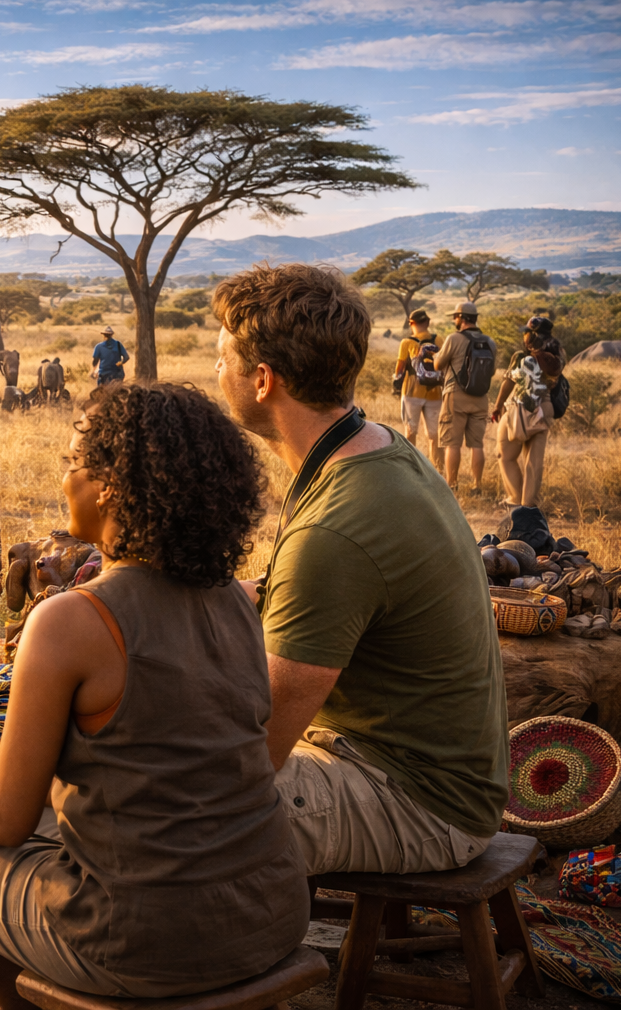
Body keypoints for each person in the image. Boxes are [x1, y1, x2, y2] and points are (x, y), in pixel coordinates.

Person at [0, 383, 308, 1008]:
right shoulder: (236, 599)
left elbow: (4, 819)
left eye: (73, 464)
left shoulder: (73, 621)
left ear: (112, 486)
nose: (64, 480)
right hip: (271, 913)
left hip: (142, 943)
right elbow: (101, 770)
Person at [213, 264, 506, 876]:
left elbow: (254, 755)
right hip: (419, 769)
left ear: (262, 380)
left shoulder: (335, 528)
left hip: (416, 802)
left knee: (140, 800)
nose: (216, 374)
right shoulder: (379, 449)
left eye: (222, 361)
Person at [492, 317, 564, 508]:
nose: (524, 336)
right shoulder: (549, 356)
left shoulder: (534, 356)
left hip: (524, 406)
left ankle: (520, 501)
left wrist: (498, 405)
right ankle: (523, 502)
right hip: (535, 407)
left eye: (527, 333)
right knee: (527, 460)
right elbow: (511, 380)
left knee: (510, 455)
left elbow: (510, 380)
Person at [433, 301, 498, 493]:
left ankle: (452, 484)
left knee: (452, 443)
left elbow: (438, 365)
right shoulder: (490, 342)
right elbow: (492, 371)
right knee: (476, 444)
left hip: (456, 395)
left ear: (461, 318)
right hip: (480, 398)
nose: (454, 319)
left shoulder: (454, 339)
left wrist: (436, 357)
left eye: (455, 316)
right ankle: (477, 486)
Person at [393, 309, 443, 473]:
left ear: (411, 323)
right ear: (428, 323)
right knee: (435, 435)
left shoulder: (407, 342)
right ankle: (438, 469)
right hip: (435, 393)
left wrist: (395, 385)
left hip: (411, 392)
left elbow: (399, 369)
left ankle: (410, 468)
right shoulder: (439, 340)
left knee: (410, 432)